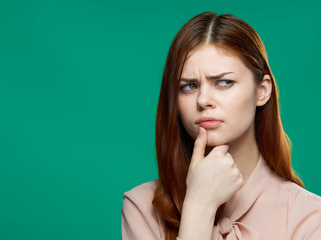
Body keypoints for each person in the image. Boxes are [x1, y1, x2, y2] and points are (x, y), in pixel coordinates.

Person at [121, 12, 321, 240]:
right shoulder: (142, 207)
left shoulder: (309, 216)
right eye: (189, 86)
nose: (203, 100)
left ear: (262, 91)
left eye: (224, 82)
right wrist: (199, 207)